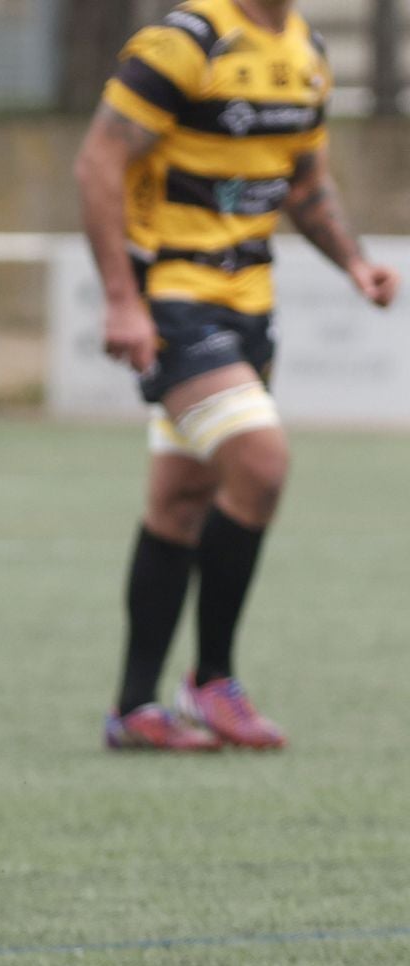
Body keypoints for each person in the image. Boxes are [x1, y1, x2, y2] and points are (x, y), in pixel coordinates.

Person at [78, 0, 395, 751]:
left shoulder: (308, 52)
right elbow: (98, 161)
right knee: (261, 462)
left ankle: (133, 709)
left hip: (252, 303)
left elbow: (305, 182)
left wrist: (353, 262)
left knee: (181, 497)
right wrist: (123, 299)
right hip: (175, 301)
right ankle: (212, 682)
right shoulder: (184, 41)